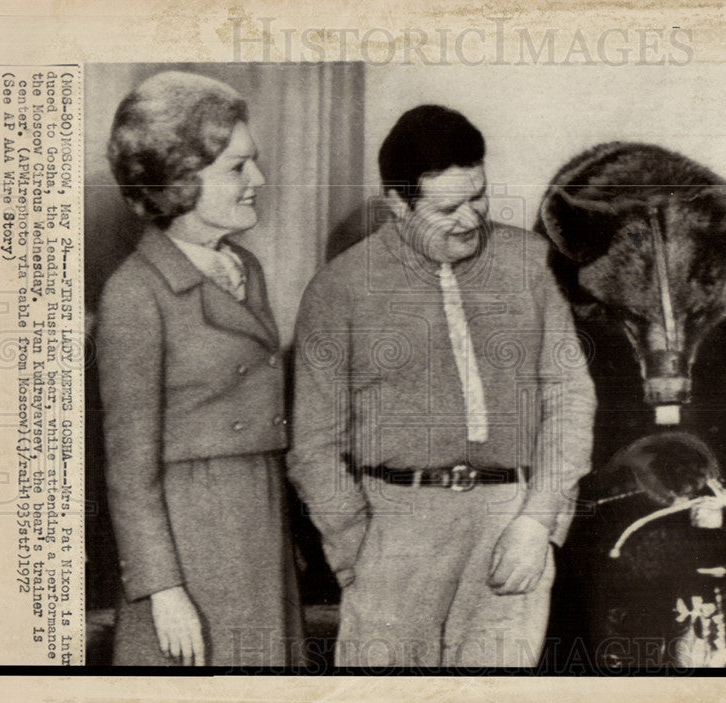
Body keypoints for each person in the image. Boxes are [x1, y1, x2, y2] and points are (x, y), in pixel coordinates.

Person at [287, 105, 596, 667]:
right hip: (393, 529)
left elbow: (569, 396)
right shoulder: (339, 289)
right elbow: (311, 447)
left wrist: (538, 520)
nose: (471, 219)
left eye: (478, 196)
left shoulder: (530, 264)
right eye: (446, 208)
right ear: (398, 203)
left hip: (512, 525)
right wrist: (356, 548)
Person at [96, 71, 304, 667]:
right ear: (181, 180)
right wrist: (163, 590)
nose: (257, 181)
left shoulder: (245, 268)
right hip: (191, 540)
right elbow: (128, 471)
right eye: (238, 168)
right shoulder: (135, 293)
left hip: (259, 519)